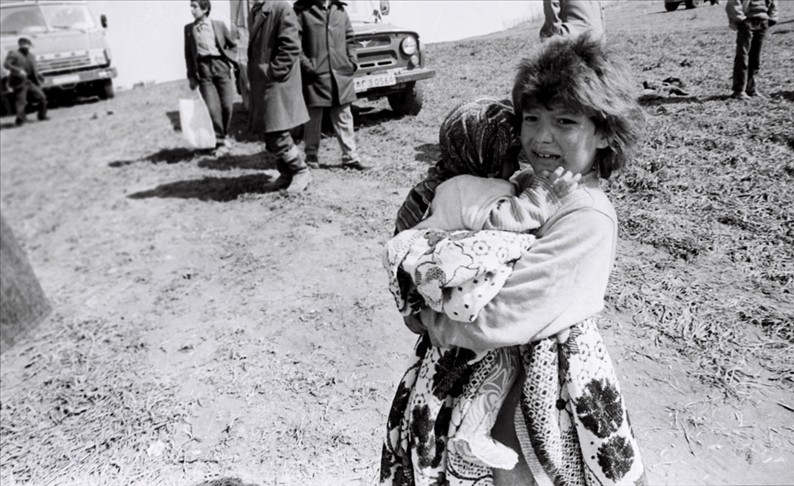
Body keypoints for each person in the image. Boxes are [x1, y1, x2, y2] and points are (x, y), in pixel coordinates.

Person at [381, 35, 646, 486]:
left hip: (533, 388)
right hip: (477, 370)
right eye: (532, 118)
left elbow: (500, 316)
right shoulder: (522, 183)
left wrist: (427, 317)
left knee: (518, 475)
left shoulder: (586, 217)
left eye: (565, 121)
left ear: (603, 132)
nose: (542, 136)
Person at [383, 102, 581, 468]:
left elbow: (405, 263)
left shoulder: (425, 190)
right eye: (508, 156)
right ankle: (474, 432)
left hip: (437, 333)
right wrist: (542, 199)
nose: (514, 165)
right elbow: (502, 229)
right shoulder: (474, 188)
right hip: (468, 328)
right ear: (483, 151)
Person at [294, 0, 371, 171]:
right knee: (313, 118)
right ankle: (311, 156)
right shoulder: (303, 10)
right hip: (315, 76)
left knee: (344, 115)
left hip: (340, 75)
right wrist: (308, 67)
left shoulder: (340, 9)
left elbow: (350, 38)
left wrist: (351, 62)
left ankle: (350, 157)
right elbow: (295, 44)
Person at [247, 0, 312, 193]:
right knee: (270, 131)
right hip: (264, 83)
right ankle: (285, 174)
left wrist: (271, 72)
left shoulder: (281, 8)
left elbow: (291, 47)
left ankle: (301, 171)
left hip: (278, 83)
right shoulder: (255, 11)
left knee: (277, 132)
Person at [184, 0, 239, 152]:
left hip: (221, 67)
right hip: (203, 71)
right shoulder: (189, 29)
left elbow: (233, 45)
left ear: (205, 8)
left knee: (227, 106)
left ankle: (224, 135)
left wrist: (230, 58)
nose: (192, 10)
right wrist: (191, 76)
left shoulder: (219, 25)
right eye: (191, 6)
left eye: (195, 6)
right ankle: (220, 142)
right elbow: (188, 55)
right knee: (212, 109)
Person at [726, 0, 778, 100]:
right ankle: (739, 90)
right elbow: (733, 4)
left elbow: (774, 5)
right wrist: (741, 19)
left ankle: (751, 88)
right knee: (743, 56)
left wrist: (772, 18)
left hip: (763, 22)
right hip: (747, 22)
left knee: (755, 57)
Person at [3, 37, 48, 127]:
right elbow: (6, 64)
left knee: (42, 97)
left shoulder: (31, 56)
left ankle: (42, 115)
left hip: (30, 81)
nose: (26, 47)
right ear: (20, 45)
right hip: (19, 81)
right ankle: (19, 120)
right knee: (21, 102)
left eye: (27, 45)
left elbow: (34, 70)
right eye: (23, 45)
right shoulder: (14, 54)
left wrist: (41, 77)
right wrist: (18, 70)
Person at [539, 0, 606, 44]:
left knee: (546, 37)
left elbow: (551, 5)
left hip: (575, 40)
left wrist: (550, 34)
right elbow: (601, 12)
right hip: (599, 38)